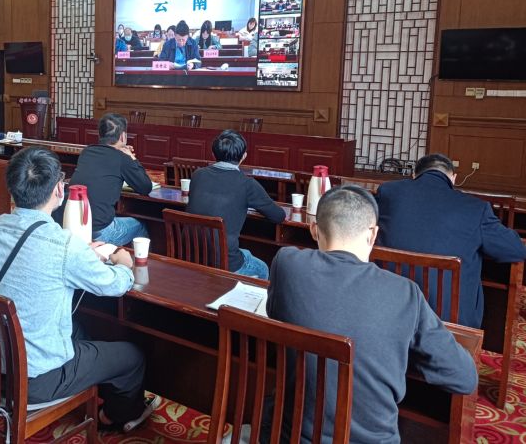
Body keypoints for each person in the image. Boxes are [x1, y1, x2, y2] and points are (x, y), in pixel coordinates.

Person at [267, 186, 478, 443]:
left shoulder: (287, 263)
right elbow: (464, 378)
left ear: (313, 230)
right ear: (373, 234)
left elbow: (275, 311)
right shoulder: (404, 293)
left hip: (291, 436)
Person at [0, 146, 156, 429]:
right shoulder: (64, 245)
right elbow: (116, 286)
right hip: (38, 379)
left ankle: (94, 384)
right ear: (59, 190)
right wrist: (123, 263)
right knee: (133, 356)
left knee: (80, 328)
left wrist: (81, 255)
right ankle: (114, 417)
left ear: (11, 189)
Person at [376, 153, 526, 328]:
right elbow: (516, 249)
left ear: (414, 175)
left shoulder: (388, 192)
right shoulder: (475, 208)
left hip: (388, 309)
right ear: (453, 178)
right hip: (448, 323)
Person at [187, 131, 285, 278]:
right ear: (244, 156)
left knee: (244, 253)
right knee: (262, 268)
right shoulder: (247, 184)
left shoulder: (198, 175)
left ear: (213, 154)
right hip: (225, 263)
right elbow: (278, 216)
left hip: (190, 254)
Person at [70, 113, 151, 245]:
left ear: (100, 134)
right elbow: (145, 187)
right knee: (140, 226)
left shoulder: (86, 152)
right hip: (100, 230)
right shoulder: (122, 158)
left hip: (76, 225)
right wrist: (132, 158)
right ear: (123, 136)